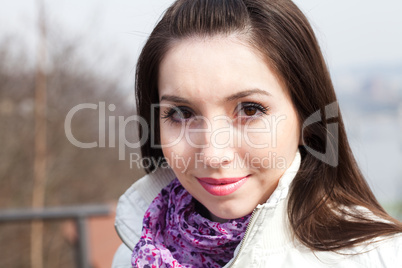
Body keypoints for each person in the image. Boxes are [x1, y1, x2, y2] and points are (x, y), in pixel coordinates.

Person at [112, 0, 402, 267]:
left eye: (249, 110)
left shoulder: (380, 257)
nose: (214, 154)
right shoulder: (131, 255)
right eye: (181, 113)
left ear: (307, 119)